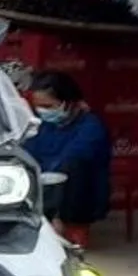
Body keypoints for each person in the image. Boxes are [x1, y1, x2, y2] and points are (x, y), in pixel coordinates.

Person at [24, 71, 112, 248]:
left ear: (67, 102)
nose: (43, 111)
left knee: (72, 168)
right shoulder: (42, 126)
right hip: (45, 187)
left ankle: (70, 227)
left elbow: (74, 156)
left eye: (48, 106)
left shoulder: (90, 127)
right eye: (39, 107)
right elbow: (29, 150)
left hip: (79, 191)